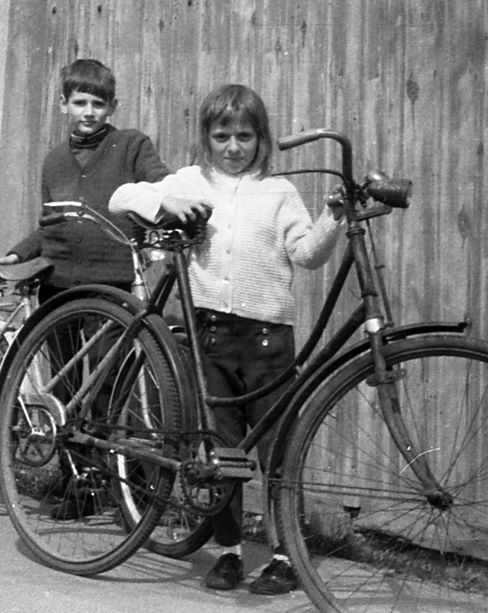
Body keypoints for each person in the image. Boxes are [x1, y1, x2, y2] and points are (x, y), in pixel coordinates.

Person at [110, 83, 339, 595]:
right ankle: (230, 553)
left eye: (244, 136)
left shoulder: (280, 192)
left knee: (280, 451)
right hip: (208, 336)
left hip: (267, 340)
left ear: (262, 139)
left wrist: (332, 219)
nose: (233, 147)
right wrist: (168, 199)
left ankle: (284, 556)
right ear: (206, 138)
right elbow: (123, 195)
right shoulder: (192, 181)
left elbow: (306, 254)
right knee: (221, 453)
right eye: (222, 136)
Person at [0, 58, 171, 300]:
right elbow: (51, 225)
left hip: (111, 286)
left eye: (98, 104)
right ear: (63, 104)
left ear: (112, 106)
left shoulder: (131, 145)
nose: (89, 113)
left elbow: (163, 183)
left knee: (111, 340)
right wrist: (19, 254)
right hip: (57, 285)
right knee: (54, 339)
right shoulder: (54, 161)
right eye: (79, 103)